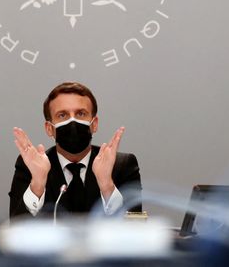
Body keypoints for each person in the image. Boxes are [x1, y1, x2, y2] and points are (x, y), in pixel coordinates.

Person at [8, 82, 141, 219]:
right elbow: (17, 230)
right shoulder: (30, 166)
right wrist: (37, 185)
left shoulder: (122, 165)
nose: (72, 121)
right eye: (62, 115)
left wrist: (107, 185)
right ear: (49, 128)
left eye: (81, 114)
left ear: (94, 124)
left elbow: (135, 230)